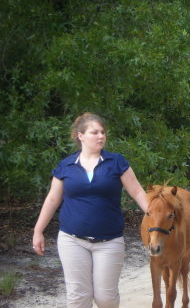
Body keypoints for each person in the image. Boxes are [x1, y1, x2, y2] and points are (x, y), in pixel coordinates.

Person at [32, 113, 149, 308]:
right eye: (95, 132)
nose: (101, 136)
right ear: (81, 136)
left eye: (103, 132)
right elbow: (52, 199)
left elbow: (137, 191)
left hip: (109, 241)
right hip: (72, 240)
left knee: (106, 298)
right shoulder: (66, 166)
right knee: (78, 298)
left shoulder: (116, 162)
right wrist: (38, 231)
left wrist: (154, 216)